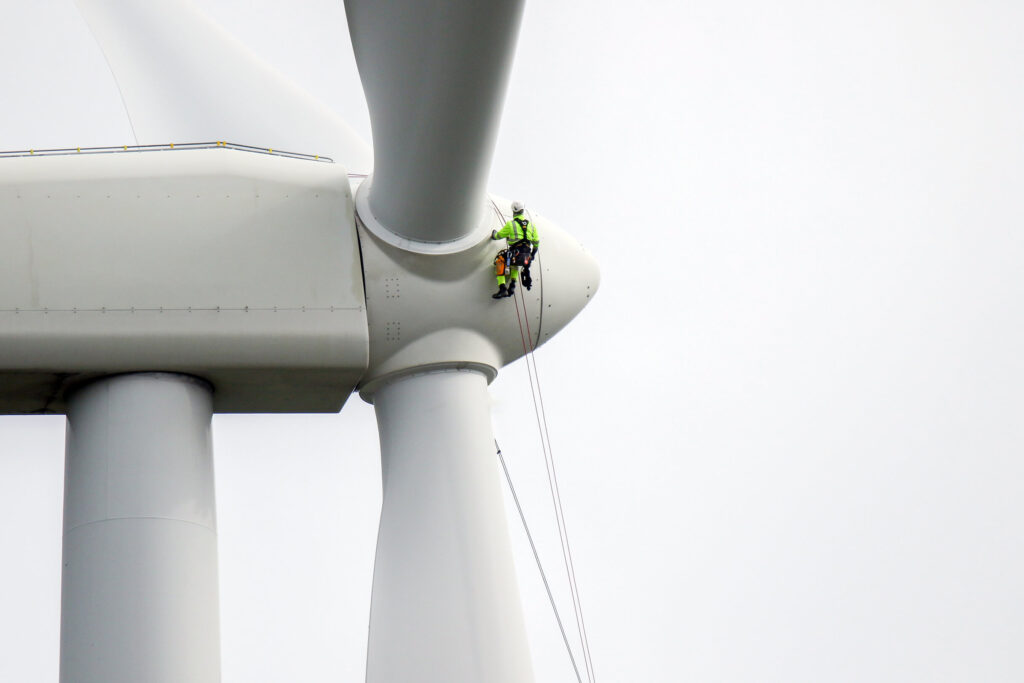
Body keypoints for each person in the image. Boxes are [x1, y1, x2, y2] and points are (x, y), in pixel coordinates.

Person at [491, 200, 539, 299]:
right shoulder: (531, 225)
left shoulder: (511, 224)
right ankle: (512, 286)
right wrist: (532, 254)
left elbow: (499, 235)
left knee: (500, 260)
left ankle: (502, 288)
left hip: (515, 253)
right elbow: (536, 242)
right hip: (526, 255)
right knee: (515, 264)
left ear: (513, 212)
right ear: (522, 211)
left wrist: (494, 235)